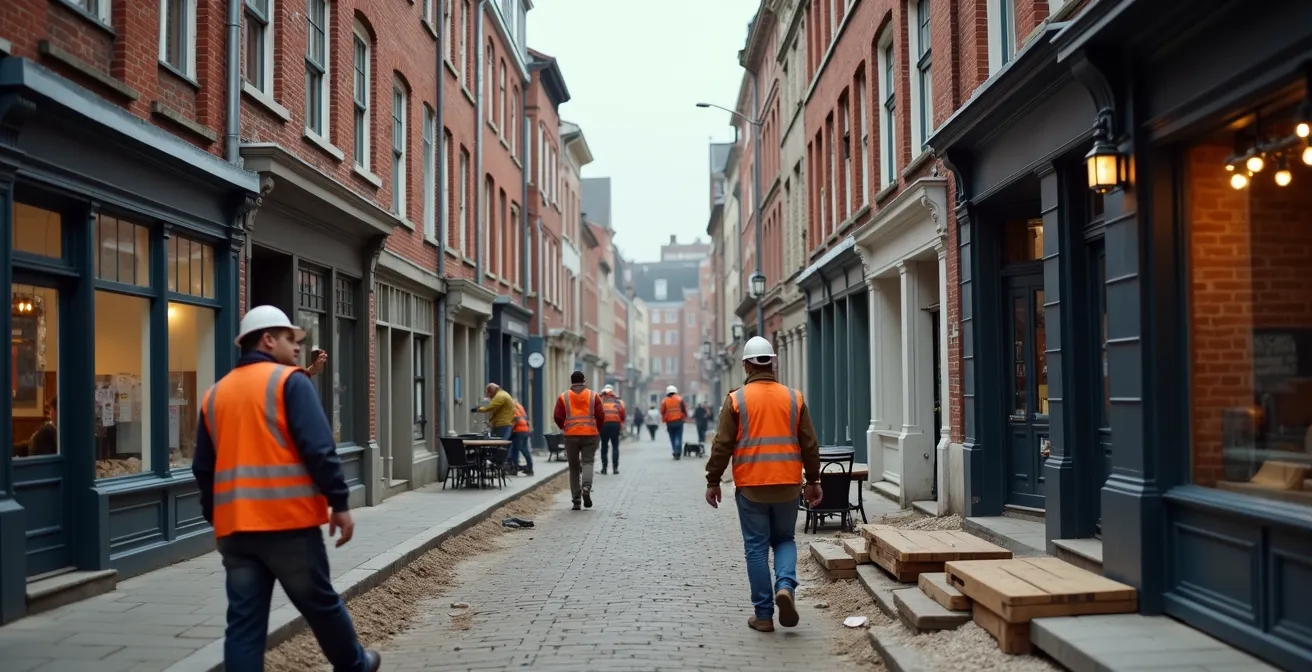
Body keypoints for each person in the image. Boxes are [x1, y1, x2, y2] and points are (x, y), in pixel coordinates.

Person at [192, 305, 380, 671]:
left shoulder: (215, 394)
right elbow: (320, 449)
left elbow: (202, 468)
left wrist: (217, 517)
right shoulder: (290, 382)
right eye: (290, 339)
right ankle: (355, 666)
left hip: (235, 531)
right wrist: (340, 503)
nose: (297, 347)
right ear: (267, 339)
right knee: (321, 604)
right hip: (287, 525)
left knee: (244, 625)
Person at [704, 336, 823, 634]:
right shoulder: (794, 398)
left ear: (746, 365)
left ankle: (764, 615)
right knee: (784, 540)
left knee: (756, 548)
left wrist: (713, 480)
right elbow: (810, 444)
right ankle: (785, 586)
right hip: (788, 485)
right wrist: (814, 480)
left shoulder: (737, 399)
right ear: (773, 363)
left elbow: (722, 444)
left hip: (752, 487)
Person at [552, 371, 605, 510]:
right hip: (590, 434)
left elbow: (557, 416)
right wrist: (597, 429)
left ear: (571, 381)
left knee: (574, 467)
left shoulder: (564, 396)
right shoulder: (593, 395)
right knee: (588, 462)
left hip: (571, 436)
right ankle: (586, 487)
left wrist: (565, 427)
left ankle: (576, 499)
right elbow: (601, 415)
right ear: (583, 380)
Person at [599, 385, 626, 475]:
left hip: (604, 425)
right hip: (615, 424)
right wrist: (621, 424)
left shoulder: (601, 400)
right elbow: (622, 414)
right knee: (615, 446)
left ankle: (604, 468)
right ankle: (615, 468)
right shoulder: (618, 401)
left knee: (604, 446)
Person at [661, 385, 689, 459]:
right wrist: (684, 417)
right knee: (678, 436)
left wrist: (664, 419)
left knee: (672, 437)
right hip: (679, 421)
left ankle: (675, 450)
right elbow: (684, 410)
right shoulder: (680, 399)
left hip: (669, 422)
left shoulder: (665, 401)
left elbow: (662, 411)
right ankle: (678, 451)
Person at [508, 400, 534, 476]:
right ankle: (529, 468)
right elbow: (525, 418)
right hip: (525, 430)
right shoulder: (520, 407)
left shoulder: (512, 407)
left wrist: (510, 429)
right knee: (525, 449)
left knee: (515, 450)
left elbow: (515, 420)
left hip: (518, 431)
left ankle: (514, 469)